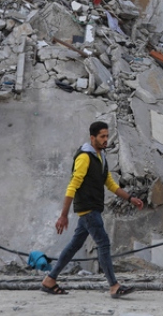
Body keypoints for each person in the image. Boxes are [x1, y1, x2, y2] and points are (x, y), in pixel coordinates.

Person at [41, 122, 144, 297]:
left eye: (107, 136)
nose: (105, 139)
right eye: (102, 136)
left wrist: (130, 198)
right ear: (92, 138)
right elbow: (72, 186)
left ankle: (50, 280)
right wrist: (63, 216)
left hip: (92, 209)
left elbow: (110, 184)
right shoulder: (84, 157)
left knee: (75, 245)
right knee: (103, 243)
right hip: (88, 209)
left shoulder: (101, 156)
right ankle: (114, 286)